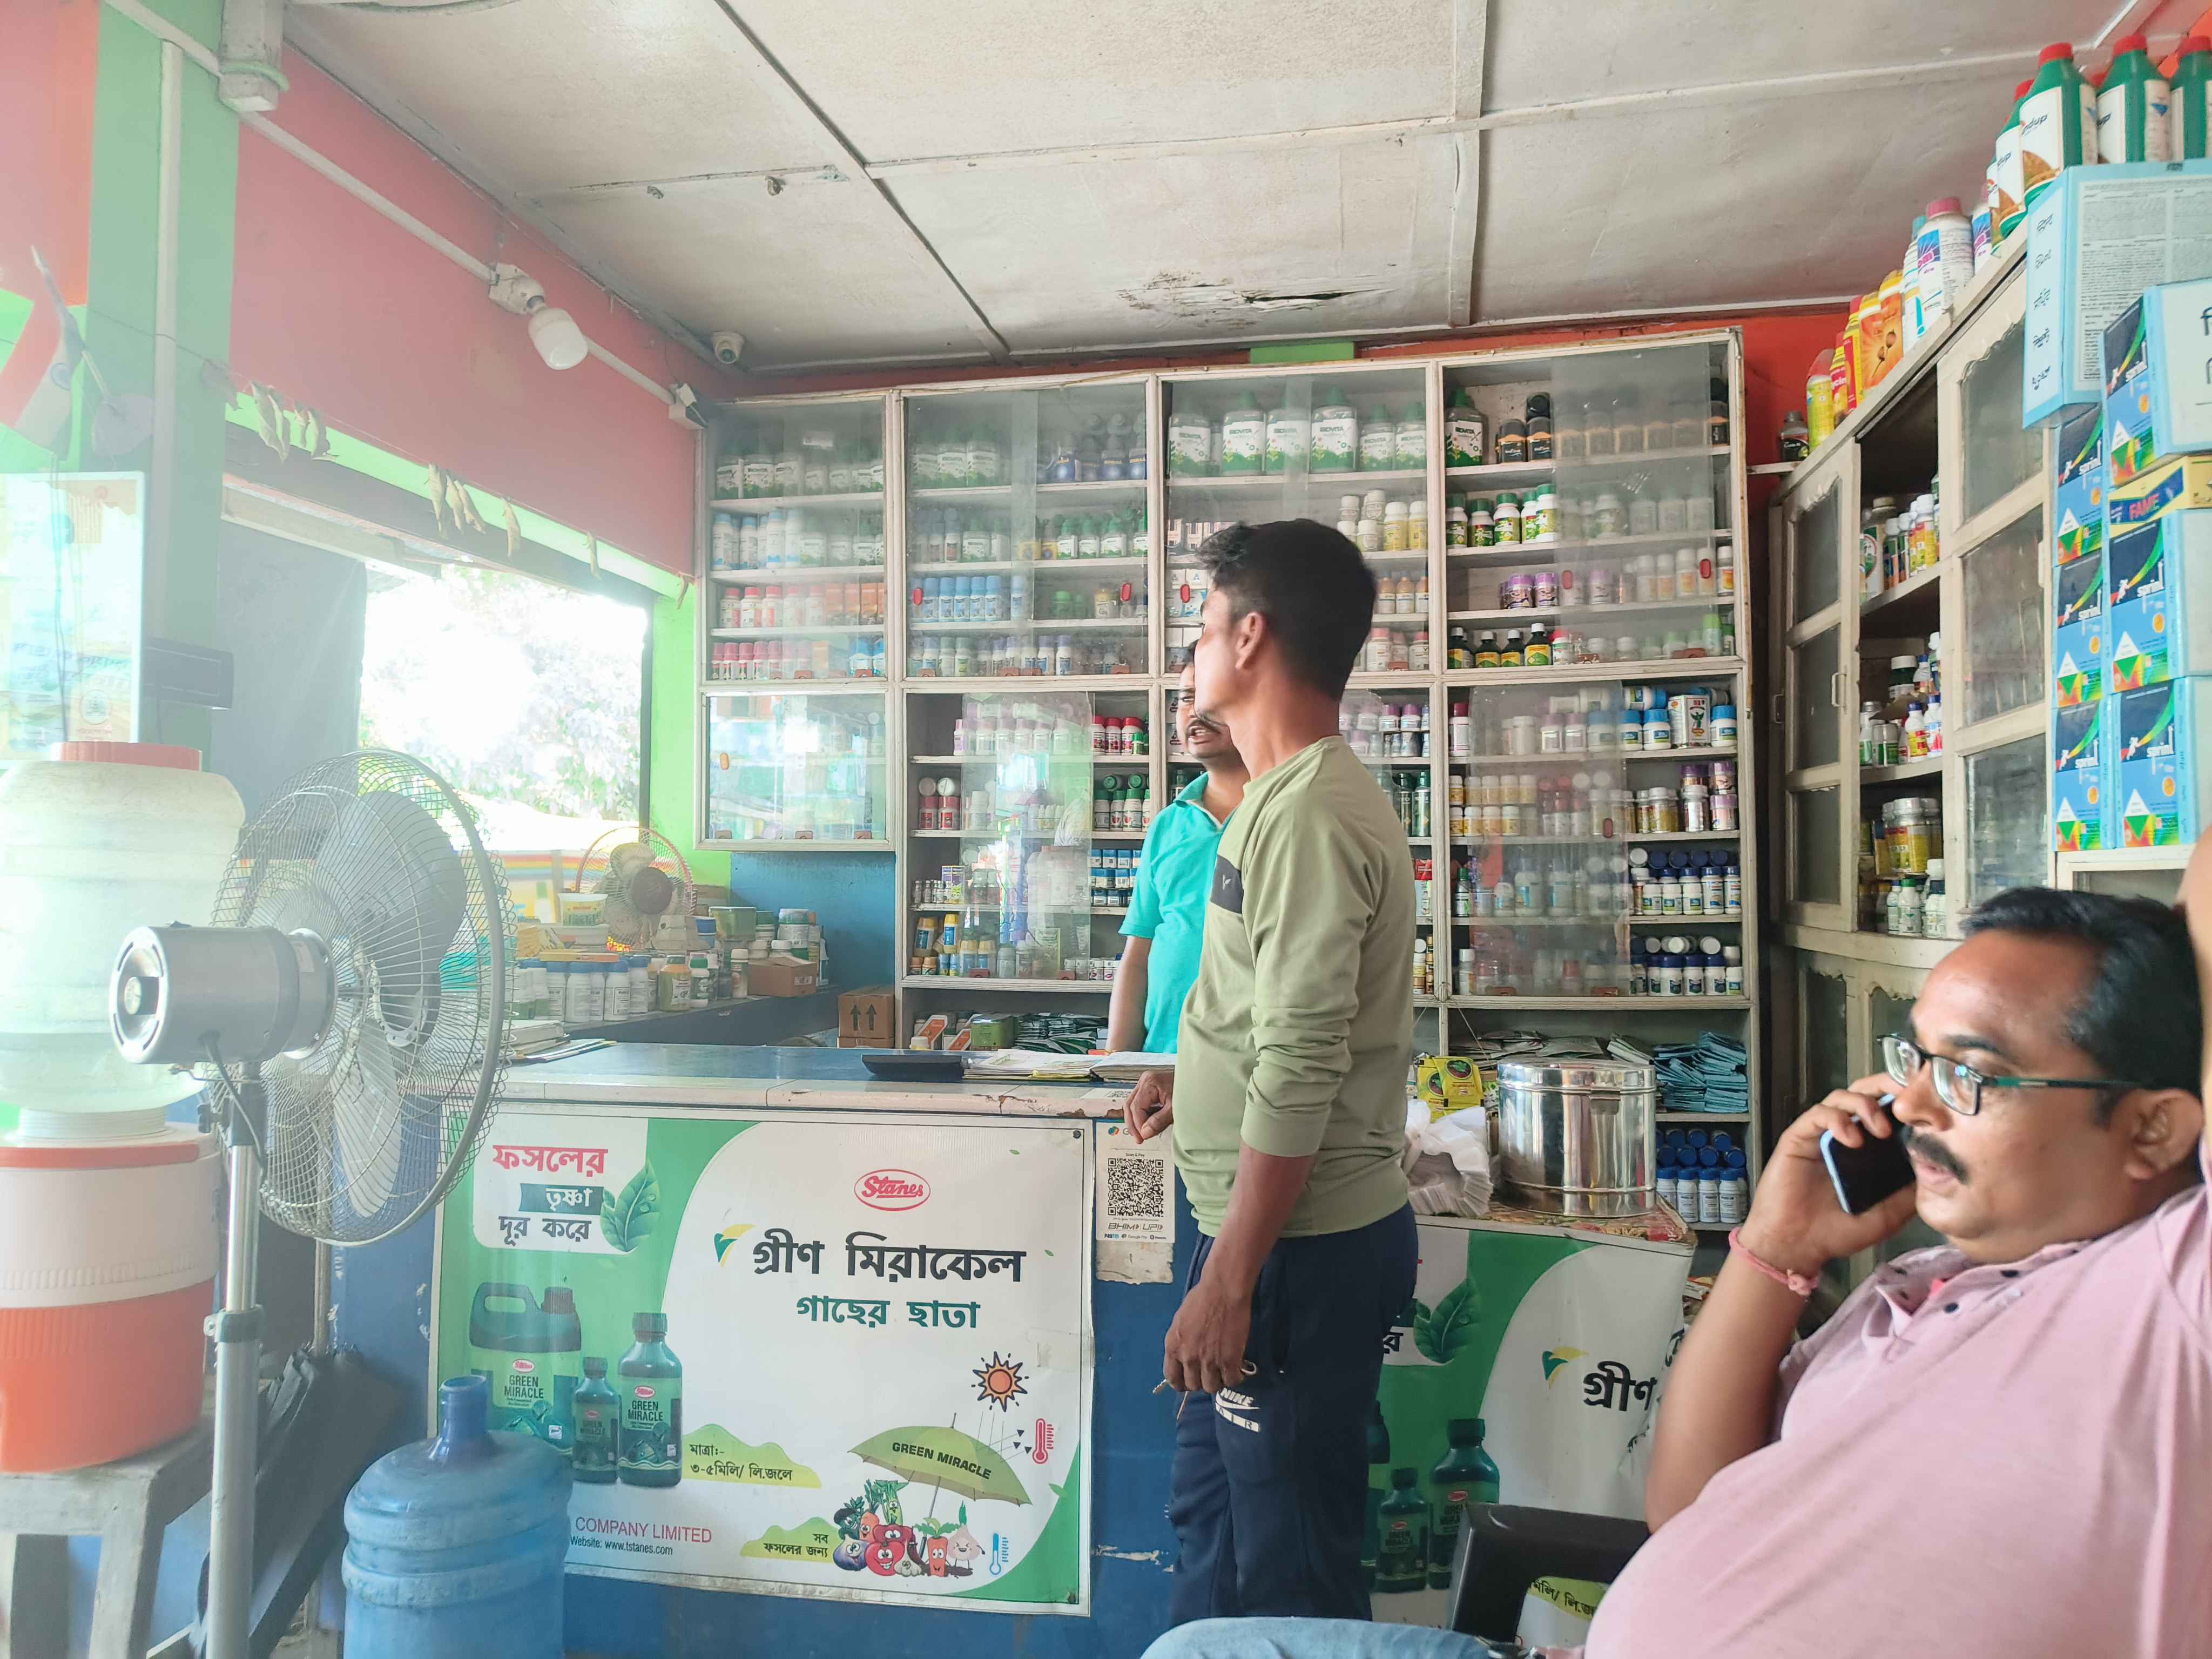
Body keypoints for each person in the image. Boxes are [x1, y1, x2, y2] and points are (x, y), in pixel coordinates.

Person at [1143, 876, 2212, 1659]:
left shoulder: (2160, 1305)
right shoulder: (1913, 1290)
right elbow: (1686, 1504)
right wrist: (1776, 1250)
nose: (1912, 1105)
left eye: (1971, 1074)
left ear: (2155, 1128)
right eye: (1915, 1058)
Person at [1123, 519, 1419, 1627]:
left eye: (1202, 630)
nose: (1193, 656)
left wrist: (1231, 1280)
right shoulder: (1280, 799)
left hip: (1292, 1250)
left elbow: (1299, 1058)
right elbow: (1256, 1011)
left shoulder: (1302, 816)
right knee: (1216, 1533)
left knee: (1288, 1572)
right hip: (1257, 1237)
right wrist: (1186, 1067)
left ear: (1249, 638)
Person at [1108, 665, 1248, 1061]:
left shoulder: (1282, 813)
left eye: (1210, 695)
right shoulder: (1169, 823)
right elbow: (1139, 952)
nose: (1195, 711)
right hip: (1162, 1056)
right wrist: (1118, 1060)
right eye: (1186, 697)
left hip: (1246, 1062)